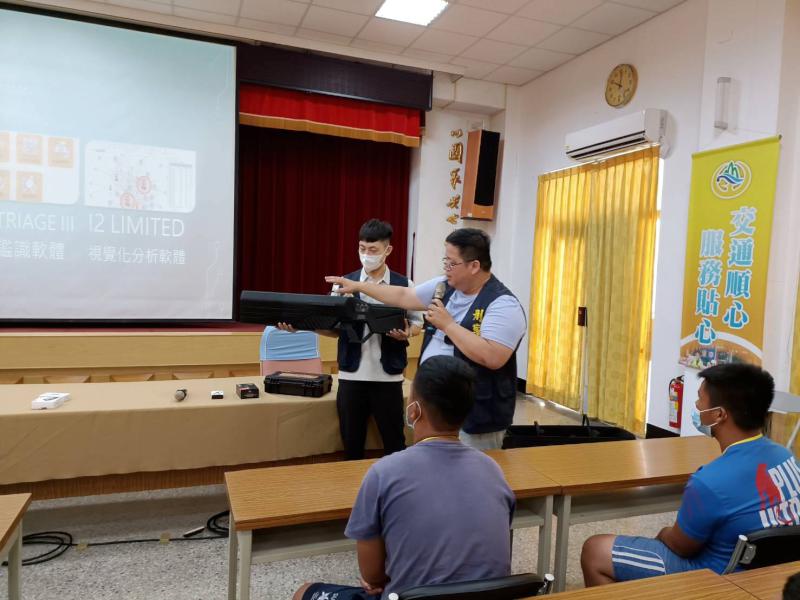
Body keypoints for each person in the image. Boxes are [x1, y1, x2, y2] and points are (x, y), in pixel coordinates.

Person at [293, 355, 516, 600]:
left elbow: (372, 576)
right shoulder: (492, 469)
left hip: (411, 597)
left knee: (304, 592)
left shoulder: (384, 472)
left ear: (414, 410)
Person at [581, 363, 800, 587]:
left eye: (700, 399)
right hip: (771, 575)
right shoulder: (786, 456)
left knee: (595, 551)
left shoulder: (709, 481)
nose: (696, 405)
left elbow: (680, 546)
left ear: (719, 414)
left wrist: (663, 533)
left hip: (717, 577)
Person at [326, 227, 526, 450]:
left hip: (475, 416)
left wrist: (448, 325)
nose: (446, 268)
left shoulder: (503, 304)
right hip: (433, 409)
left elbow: (493, 357)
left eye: (452, 263)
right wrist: (358, 286)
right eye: (445, 261)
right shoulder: (444, 286)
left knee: (468, 468)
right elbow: (403, 296)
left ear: (474, 266)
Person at [280, 219, 422, 460]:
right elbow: (333, 329)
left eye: (373, 250)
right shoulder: (343, 284)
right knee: (351, 444)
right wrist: (303, 326)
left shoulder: (404, 284)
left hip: (388, 377)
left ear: (387, 250)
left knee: (395, 444)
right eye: (362, 248)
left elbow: (417, 323)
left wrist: (407, 333)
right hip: (351, 377)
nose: (366, 255)